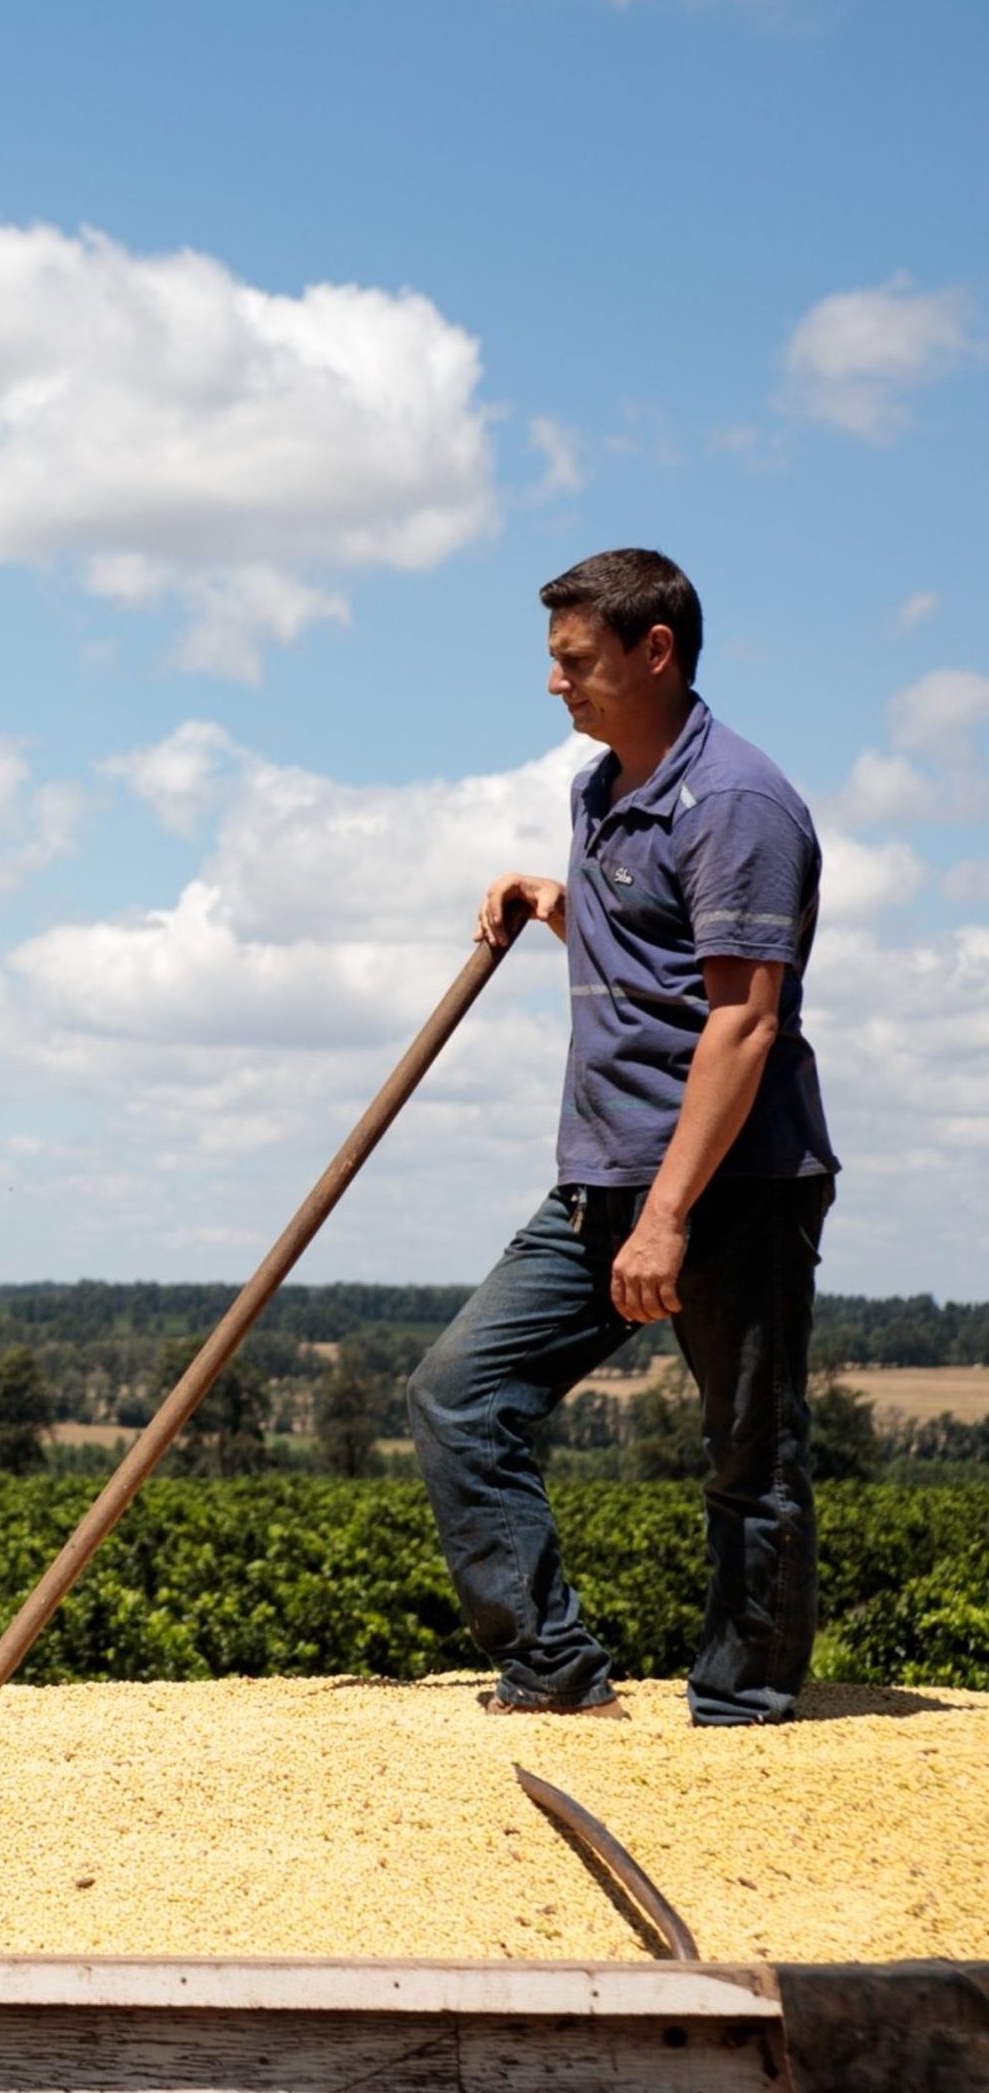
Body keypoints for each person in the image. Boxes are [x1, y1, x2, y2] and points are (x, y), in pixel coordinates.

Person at [409, 548, 836, 1726]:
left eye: (574, 661)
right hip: (600, 1179)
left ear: (656, 651)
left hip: (729, 1187)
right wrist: (559, 904)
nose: (556, 685)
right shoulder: (601, 792)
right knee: (459, 1395)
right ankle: (549, 1663)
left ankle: (743, 1704)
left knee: (751, 1452)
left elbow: (742, 1027)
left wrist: (668, 1216)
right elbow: (661, 964)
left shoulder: (739, 804)